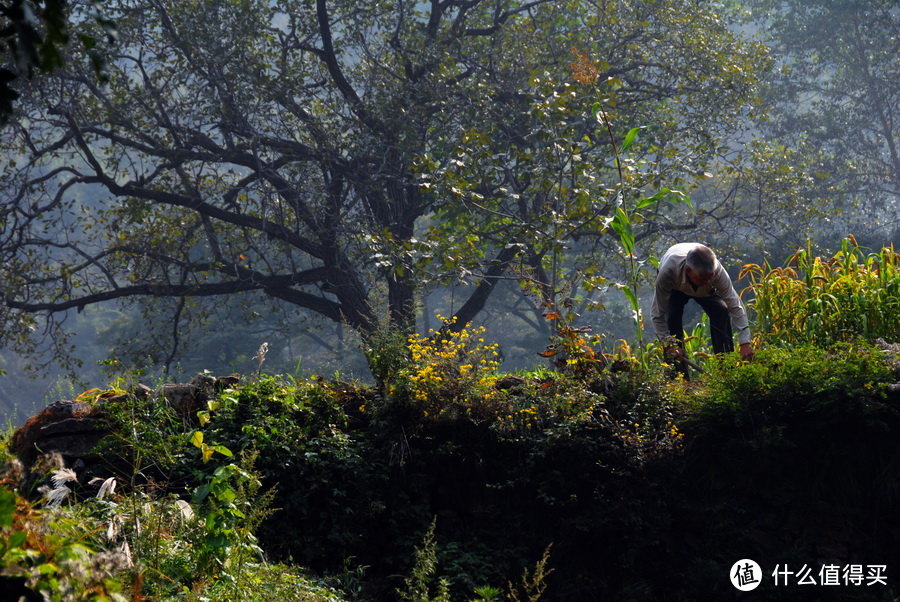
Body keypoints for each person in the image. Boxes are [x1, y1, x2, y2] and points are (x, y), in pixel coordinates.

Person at [650, 242, 754, 362]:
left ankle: (725, 366)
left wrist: (745, 343)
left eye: (710, 277)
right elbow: (657, 314)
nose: (707, 281)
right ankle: (678, 376)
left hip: (706, 292)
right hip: (675, 287)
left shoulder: (717, 274)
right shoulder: (667, 272)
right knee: (671, 318)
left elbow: (736, 306)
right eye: (703, 278)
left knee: (721, 311)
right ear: (688, 270)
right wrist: (669, 345)